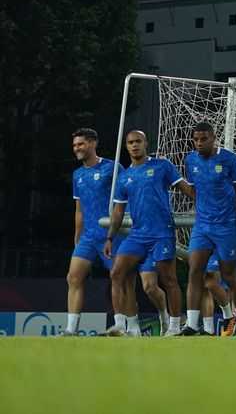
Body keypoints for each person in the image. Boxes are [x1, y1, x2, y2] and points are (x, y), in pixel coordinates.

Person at [104, 130, 186, 336]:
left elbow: (187, 189)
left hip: (162, 233)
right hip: (138, 235)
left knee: (167, 280)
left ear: (146, 143)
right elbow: (118, 212)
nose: (134, 145)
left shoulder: (162, 166)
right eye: (130, 142)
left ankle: (174, 325)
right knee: (117, 273)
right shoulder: (124, 177)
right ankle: (120, 325)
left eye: (138, 141)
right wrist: (110, 237)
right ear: (126, 146)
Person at [179, 122, 236, 336]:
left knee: (229, 275)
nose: (199, 143)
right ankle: (192, 324)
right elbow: (194, 189)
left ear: (213, 138)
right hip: (202, 226)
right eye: (196, 139)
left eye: (204, 139)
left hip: (227, 226)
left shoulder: (229, 159)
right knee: (194, 271)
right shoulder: (190, 160)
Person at [65, 128, 133, 335]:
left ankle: (122, 325)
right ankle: (71, 329)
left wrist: (125, 229)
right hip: (88, 237)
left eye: (81, 144)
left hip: (112, 234)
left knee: (119, 278)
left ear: (93, 143)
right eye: (75, 145)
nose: (77, 148)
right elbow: (79, 210)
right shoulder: (77, 175)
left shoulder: (113, 168)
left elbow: (126, 199)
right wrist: (77, 237)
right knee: (73, 277)